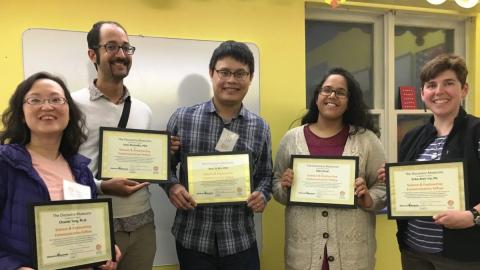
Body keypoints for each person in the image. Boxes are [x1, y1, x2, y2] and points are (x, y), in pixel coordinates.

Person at [165, 40, 273, 270]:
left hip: (240, 240)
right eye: (224, 72)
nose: (231, 80)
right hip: (193, 239)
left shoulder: (260, 126)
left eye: (240, 73)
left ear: (250, 78)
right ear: (211, 73)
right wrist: (172, 187)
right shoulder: (182, 118)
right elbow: (162, 165)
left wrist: (263, 194)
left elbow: (266, 175)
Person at [0, 72, 119, 270]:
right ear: (21, 113)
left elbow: (90, 228)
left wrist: (105, 251)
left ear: (69, 110)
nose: (47, 106)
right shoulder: (5, 163)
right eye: (35, 100)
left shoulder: (81, 170)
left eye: (56, 99)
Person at [273, 68, 386, 270]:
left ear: (349, 101)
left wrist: (368, 197)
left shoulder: (367, 140)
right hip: (302, 256)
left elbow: (383, 187)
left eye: (341, 92)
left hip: (353, 257)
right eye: (327, 90)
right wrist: (284, 186)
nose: (332, 96)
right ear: (317, 97)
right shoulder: (292, 139)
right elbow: (276, 185)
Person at [377, 54, 480, 269]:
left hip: (463, 255)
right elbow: (411, 188)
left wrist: (472, 216)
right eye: (431, 85)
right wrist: (396, 182)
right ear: (423, 93)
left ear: (464, 90)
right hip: (413, 251)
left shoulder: (476, 131)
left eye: (449, 83)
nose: (439, 91)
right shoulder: (412, 136)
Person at [71, 21, 157, 270]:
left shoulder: (144, 110)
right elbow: (61, 168)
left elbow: (148, 162)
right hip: (95, 223)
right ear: (92, 54)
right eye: (111, 47)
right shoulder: (71, 105)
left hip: (143, 223)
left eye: (126, 47)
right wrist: (102, 186)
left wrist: (162, 155)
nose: (121, 54)